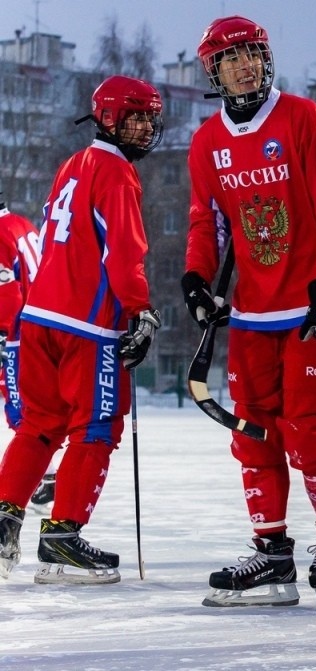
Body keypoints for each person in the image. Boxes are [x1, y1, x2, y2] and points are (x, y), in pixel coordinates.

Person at [184, 15, 316, 609]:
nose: (243, 65)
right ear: (214, 71)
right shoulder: (207, 141)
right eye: (230, 58)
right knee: (251, 431)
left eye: (252, 53)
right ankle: (272, 551)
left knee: (307, 429)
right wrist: (195, 279)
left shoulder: (303, 118)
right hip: (254, 309)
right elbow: (204, 222)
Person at [0, 75, 164, 584]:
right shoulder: (115, 172)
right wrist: (140, 310)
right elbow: (124, 250)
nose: (142, 128)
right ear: (107, 119)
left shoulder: (71, 165)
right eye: (132, 118)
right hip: (85, 326)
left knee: (39, 426)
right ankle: (62, 539)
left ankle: (4, 520)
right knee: (98, 425)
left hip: (39, 317)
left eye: (147, 119)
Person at [0, 193, 57, 514]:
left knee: (22, 410)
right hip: (42, 324)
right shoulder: (20, 223)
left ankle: (40, 475)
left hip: (19, 335)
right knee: (35, 408)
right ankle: (45, 475)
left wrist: (1, 332)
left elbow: (7, 293)